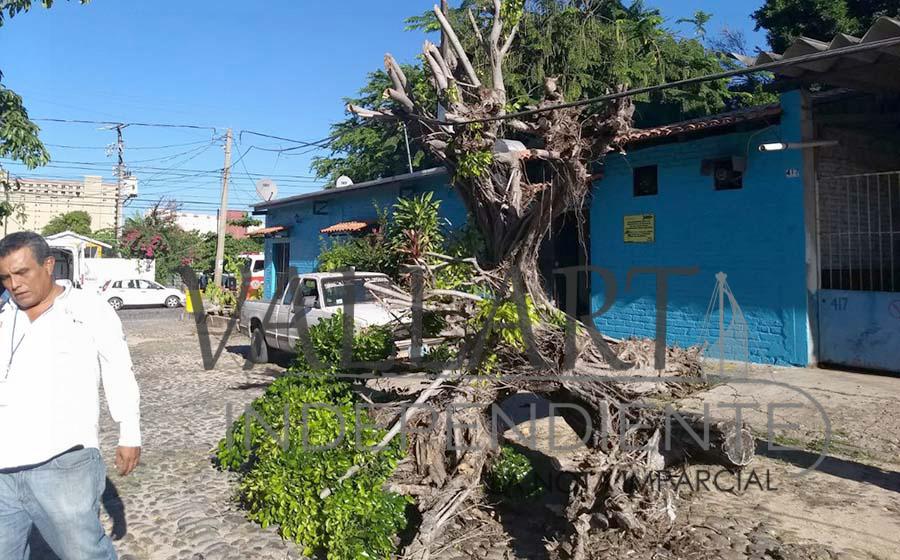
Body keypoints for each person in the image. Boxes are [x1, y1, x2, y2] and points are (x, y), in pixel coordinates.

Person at [0, 232, 141, 559]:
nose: (14, 284)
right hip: (3, 469)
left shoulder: (87, 308)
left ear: (48, 265)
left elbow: (118, 368)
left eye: (22, 273)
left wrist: (129, 431)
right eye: (5, 277)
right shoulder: (4, 313)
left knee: (84, 554)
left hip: (64, 460)